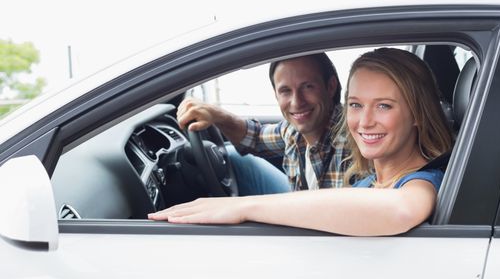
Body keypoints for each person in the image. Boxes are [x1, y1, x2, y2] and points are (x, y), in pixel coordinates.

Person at [150, 48, 453, 236]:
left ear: (417, 113)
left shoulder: (422, 183)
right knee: (237, 158)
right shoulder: (374, 178)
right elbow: (254, 136)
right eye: (356, 105)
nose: (364, 122)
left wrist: (243, 208)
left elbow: (400, 210)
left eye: (384, 106)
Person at [177, 53, 350, 194]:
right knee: (231, 156)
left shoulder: (352, 141)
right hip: (303, 210)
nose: (296, 102)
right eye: (285, 91)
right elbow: (256, 137)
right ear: (276, 94)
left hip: (322, 226)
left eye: (308, 87)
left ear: (330, 87)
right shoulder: (292, 131)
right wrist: (216, 115)